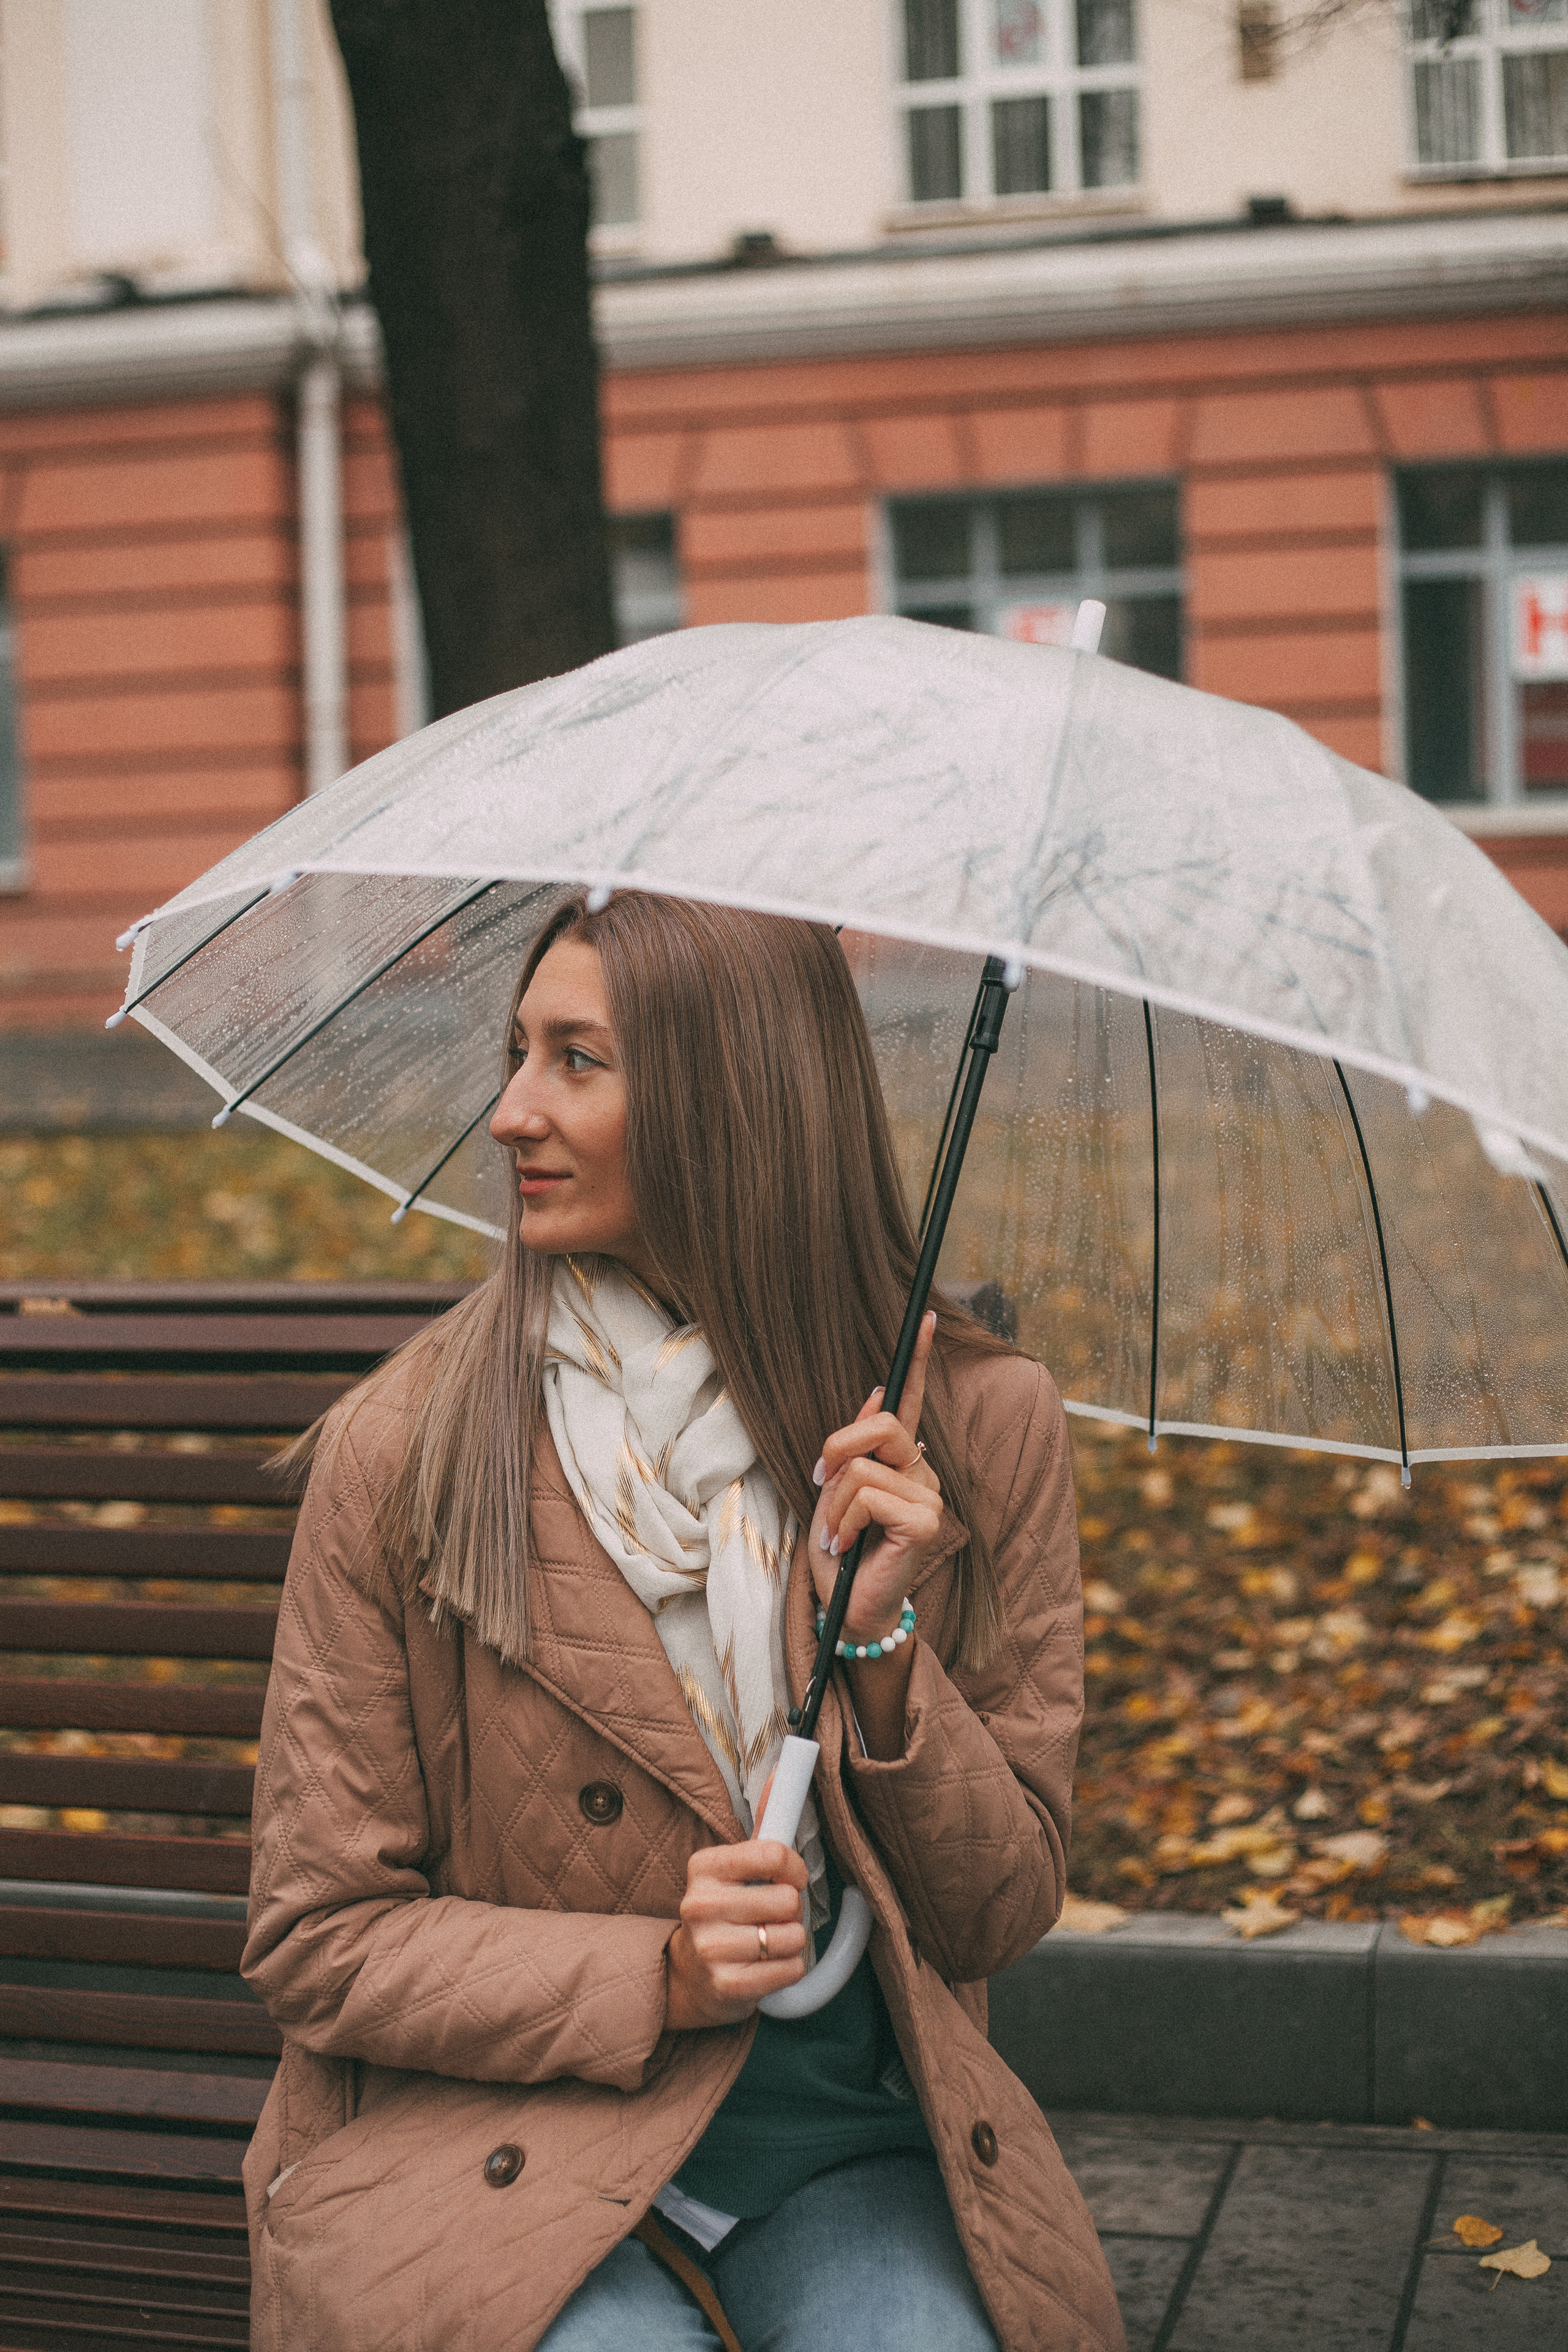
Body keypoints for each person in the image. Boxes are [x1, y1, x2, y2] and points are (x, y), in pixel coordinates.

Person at [240, 891, 1123, 2352]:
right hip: (493, 2144)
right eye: (517, 1052)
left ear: (733, 1099)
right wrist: (651, 1973)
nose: (511, 1111)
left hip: (841, 2153)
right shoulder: (415, 1443)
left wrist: (882, 1650)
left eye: (576, 1060)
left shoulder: (963, 1425)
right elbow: (317, 1934)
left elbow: (998, 1908)